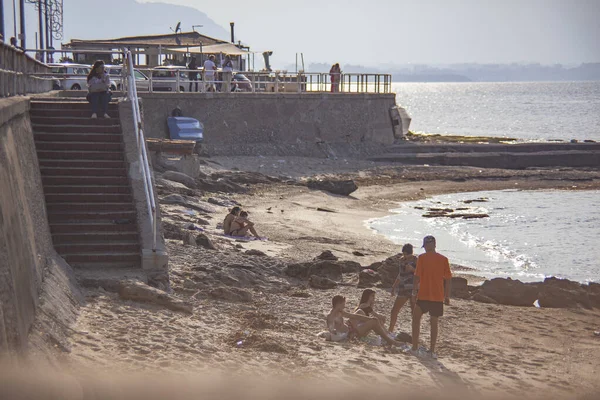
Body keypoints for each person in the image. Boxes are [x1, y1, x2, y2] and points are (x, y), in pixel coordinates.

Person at [410, 235, 452, 359]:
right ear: (434, 244)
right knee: (434, 323)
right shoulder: (443, 259)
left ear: (428, 245)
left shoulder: (422, 258)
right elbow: (448, 280)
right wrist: (447, 296)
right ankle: (432, 350)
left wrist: (413, 292)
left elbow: (417, 276)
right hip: (437, 296)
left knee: (416, 319)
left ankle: (415, 348)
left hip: (424, 294)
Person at [326, 295, 404, 346]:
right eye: (343, 304)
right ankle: (390, 340)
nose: (344, 306)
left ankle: (379, 331)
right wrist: (334, 331)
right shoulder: (331, 316)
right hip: (351, 334)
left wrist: (369, 318)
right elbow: (331, 329)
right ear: (338, 304)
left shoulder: (340, 312)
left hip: (349, 327)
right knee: (374, 322)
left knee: (361, 312)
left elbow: (353, 316)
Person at [389, 243, 418, 333]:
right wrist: (394, 286)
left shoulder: (417, 260)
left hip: (414, 289)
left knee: (414, 313)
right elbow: (400, 274)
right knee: (394, 310)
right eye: (404, 254)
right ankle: (390, 330)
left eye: (407, 255)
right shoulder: (401, 260)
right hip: (403, 288)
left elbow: (421, 274)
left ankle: (415, 333)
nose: (406, 256)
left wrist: (413, 270)